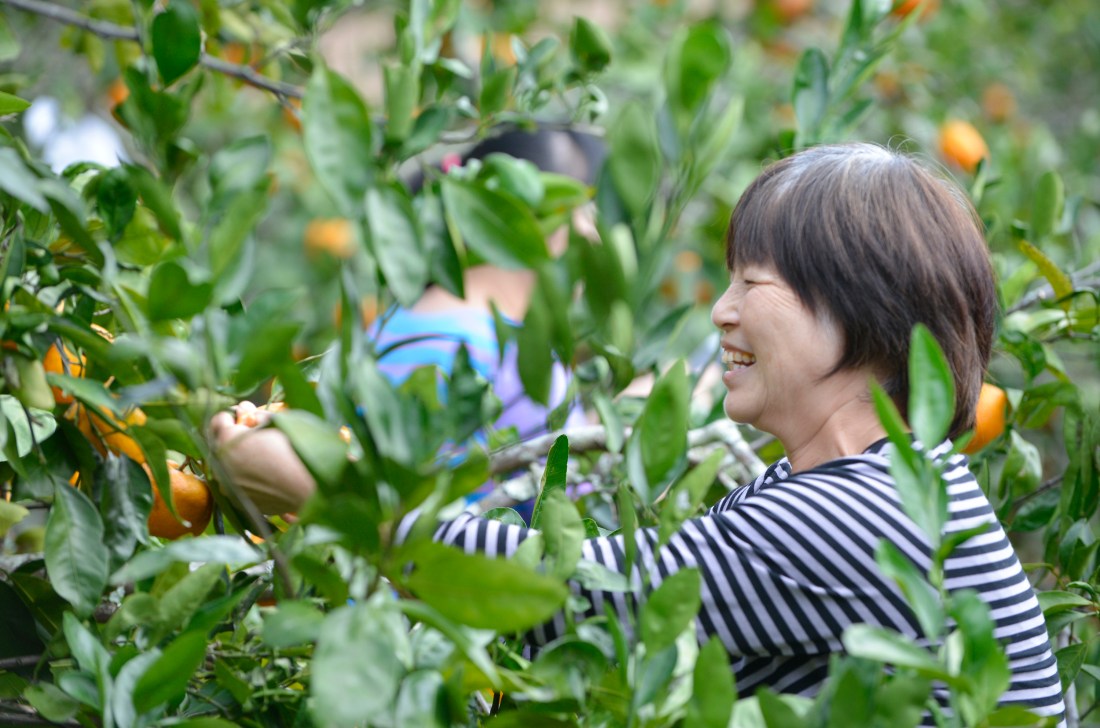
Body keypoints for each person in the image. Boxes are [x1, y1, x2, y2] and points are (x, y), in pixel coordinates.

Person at [210, 142, 1065, 723]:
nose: (722, 311)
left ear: (859, 307)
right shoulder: (866, 482)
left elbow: (577, 606)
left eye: (753, 282)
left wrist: (329, 493)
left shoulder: (859, 510)